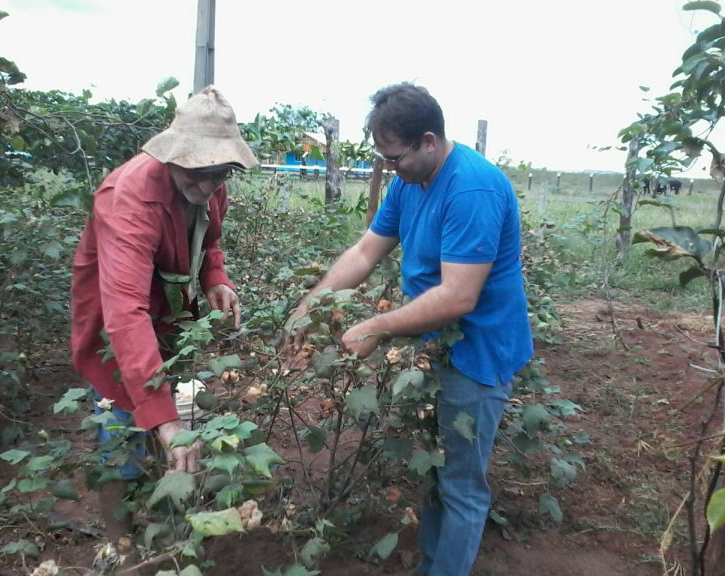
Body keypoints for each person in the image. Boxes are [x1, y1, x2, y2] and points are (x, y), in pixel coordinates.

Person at [285, 83, 533, 576]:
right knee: (438, 468)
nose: (387, 168)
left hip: (477, 352)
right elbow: (364, 252)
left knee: (461, 483)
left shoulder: (472, 188)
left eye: (393, 157)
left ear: (428, 141)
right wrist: (310, 304)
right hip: (435, 344)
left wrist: (376, 325)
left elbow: (458, 296)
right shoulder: (408, 183)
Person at [70, 86, 258, 544]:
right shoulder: (129, 197)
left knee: (172, 415)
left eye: (221, 170)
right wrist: (165, 421)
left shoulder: (210, 188)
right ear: (175, 153)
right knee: (122, 432)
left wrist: (216, 277)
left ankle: (165, 518)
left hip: (171, 319)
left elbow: (209, 241)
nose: (211, 182)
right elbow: (125, 314)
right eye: (201, 169)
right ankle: (120, 547)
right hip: (119, 329)